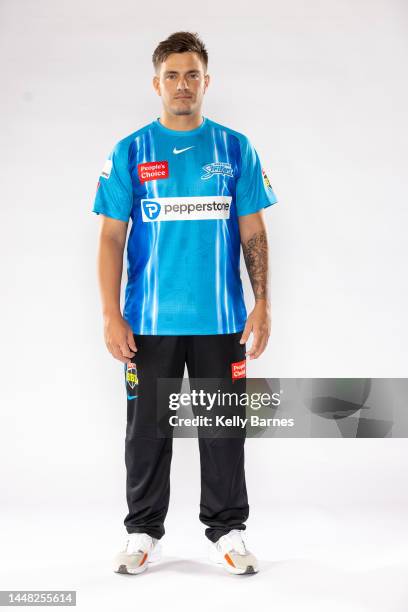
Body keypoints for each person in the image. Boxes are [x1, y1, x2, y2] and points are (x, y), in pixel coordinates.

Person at [92, 30, 278, 576]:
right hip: (148, 322)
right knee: (147, 430)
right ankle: (143, 532)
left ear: (206, 82)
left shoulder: (235, 148)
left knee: (224, 426)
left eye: (192, 74)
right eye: (172, 75)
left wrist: (262, 302)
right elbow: (110, 238)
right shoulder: (131, 151)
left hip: (222, 320)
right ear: (156, 83)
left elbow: (254, 232)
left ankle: (228, 530)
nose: (182, 84)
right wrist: (110, 313)